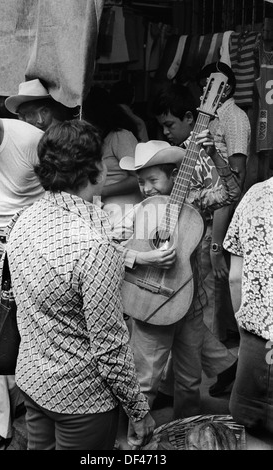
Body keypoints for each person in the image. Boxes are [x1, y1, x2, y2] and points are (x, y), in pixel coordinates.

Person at [5, 119, 155, 450]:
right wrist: (139, 410)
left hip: (33, 380)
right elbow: (109, 346)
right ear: (98, 170)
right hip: (82, 401)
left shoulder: (23, 220)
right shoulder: (93, 246)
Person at [111, 133, 241, 424]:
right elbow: (107, 248)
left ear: (173, 175)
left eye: (153, 180)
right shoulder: (139, 212)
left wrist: (215, 156)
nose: (145, 189)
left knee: (189, 380)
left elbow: (232, 193)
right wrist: (143, 257)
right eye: (141, 181)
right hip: (152, 306)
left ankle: (185, 431)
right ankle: (134, 437)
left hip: (191, 306)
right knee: (144, 381)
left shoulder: (195, 202)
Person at [149, 82, 240, 405]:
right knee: (175, 333)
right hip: (159, 286)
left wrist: (215, 247)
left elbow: (228, 195)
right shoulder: (146, 209)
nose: (166, 130)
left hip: (191, 266)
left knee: (188, 332)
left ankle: (178, 396)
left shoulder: (195, 161)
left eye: (169, 124)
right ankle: (168, 391)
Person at [0, 80, 45, 450]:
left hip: (31, 255)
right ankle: (7, 419)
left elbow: (63, 190)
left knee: (21, 343)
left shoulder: (29, 139)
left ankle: (3, 430)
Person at [196, 61, 251, 397]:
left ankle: (224, 368)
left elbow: (237, 176)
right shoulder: (212, 118)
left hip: (224, 210)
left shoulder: (234, 118)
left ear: (225, 88)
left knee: (213, 293)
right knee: (207, 294)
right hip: (207, 208)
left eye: (210, 85)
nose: (205, 92)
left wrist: (217, 243)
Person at [223, 176, 273, 433]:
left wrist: (244, 333)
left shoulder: (255, 194)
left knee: (251, 431)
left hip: (255, 342)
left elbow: (235, 278)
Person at [82, 85, 142, 229]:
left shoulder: (120, 137)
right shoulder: (92, 141)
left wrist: (102, 191)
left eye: (84, 116)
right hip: (103, 213)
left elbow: (138, 179)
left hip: (124, 212)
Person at [5, 78, 78, 131]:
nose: (40, 121)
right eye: (31, 114)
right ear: (21, 118)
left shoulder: (64, 134)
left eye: (44, 111)